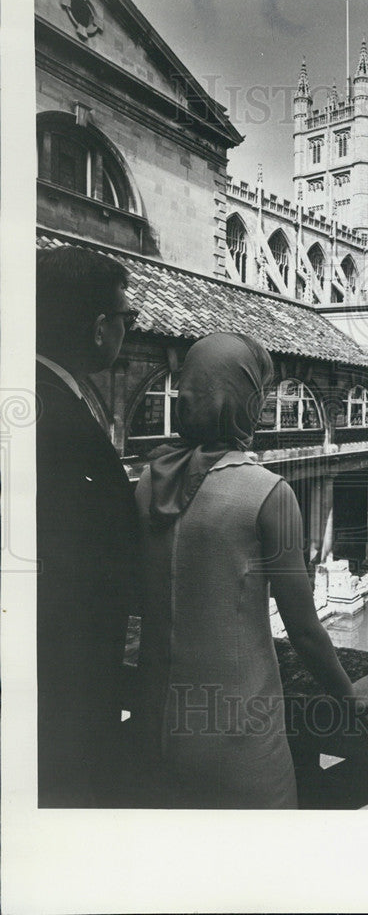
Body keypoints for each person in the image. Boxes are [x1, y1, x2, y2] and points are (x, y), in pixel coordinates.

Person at [134, 332, 368, 808]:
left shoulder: (149, 482)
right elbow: (302, 628)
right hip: (239, 736)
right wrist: (348, 695)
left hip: (157, 728)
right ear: (246, 402)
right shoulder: (267, 492)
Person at [36, 245, 140, 806]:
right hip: (67, 687)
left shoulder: (41, 393)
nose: (129, 330)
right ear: (100, 328)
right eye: (128, 319)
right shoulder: (52, 412)